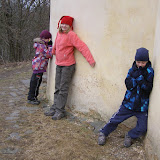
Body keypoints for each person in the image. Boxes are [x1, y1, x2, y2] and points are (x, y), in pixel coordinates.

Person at [98, 47, 154, 147]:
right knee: (115, 120)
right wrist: (135, 79)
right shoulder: (131, 70)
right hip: (128, 103)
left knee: (143, 128)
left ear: (147, 61)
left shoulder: (150, 72)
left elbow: (148, 88)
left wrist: (141, 79)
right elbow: (128, 84)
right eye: (138, 62)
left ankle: (130, 135)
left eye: (143, 62)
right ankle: (103, 132)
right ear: (135, 60)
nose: (140, 65)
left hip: (142, 107)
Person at [44, 16, 96, 120]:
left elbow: (82, 47)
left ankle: (60, 111)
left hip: (68, 66)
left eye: (66, 24)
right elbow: (56, 45)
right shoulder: (59, 33)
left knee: (63, 88)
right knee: (57, 87)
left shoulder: (71, 35)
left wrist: (90, 60)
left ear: (70, 25)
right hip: (59, 64)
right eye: (62, 23)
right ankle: (54, 107)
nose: (64, 26)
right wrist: (53, 52)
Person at [27, 30, 53, 105]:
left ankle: (32, 97)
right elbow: (49, 54)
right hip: (39, 67)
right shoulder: (41, 46)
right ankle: (32, 98)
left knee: (35, 82)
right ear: (44, 39)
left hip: (38, 66)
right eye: (48, 39)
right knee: (35, 83)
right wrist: (50, 46)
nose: (49, 40)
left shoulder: (40, 44)